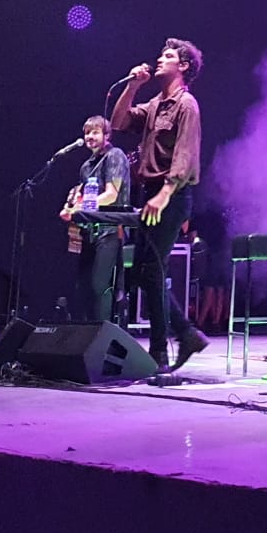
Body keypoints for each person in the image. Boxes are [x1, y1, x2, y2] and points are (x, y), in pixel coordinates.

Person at [111, 39, 210, 376]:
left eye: (167, 56)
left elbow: (186, 155)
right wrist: (133, 86)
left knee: (152, 270)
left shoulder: (187, 105)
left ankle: (159, 353)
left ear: (183, 66)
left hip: (172, 195)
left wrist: (166, 192)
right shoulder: (155, 104)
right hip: (151, 192)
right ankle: (184, 333)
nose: (158, 59)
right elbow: (119, 123)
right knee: (141, 272)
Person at [58, 115, 130, 323]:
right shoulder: (86, 166)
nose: (89, 136)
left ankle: (103, 332)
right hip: (90, 232)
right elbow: (80, 196)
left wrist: (81, 207)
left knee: (100, 285)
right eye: (87, 132)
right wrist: (70, 207)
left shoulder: (114, 156)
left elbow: (111, 194)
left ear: (106, 135)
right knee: (83, 286)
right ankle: (87, 333)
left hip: (110, 230)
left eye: (95, 132)